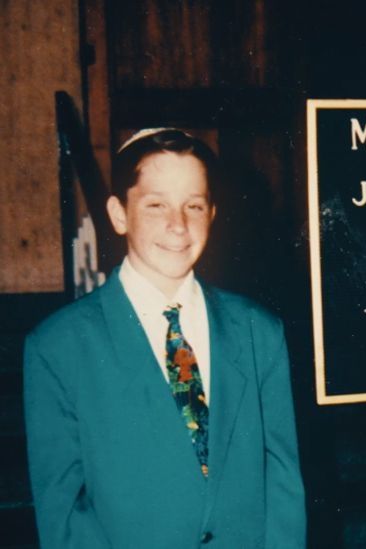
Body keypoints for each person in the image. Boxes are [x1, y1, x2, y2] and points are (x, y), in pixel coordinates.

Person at [23, 128, 306, 548]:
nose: (178, 225)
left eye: (194, 205)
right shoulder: (59, 347)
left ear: (212, 214)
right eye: (156, 205)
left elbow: (282, 485)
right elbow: (64, 516)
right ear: (119, 214)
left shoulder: (258, 331)